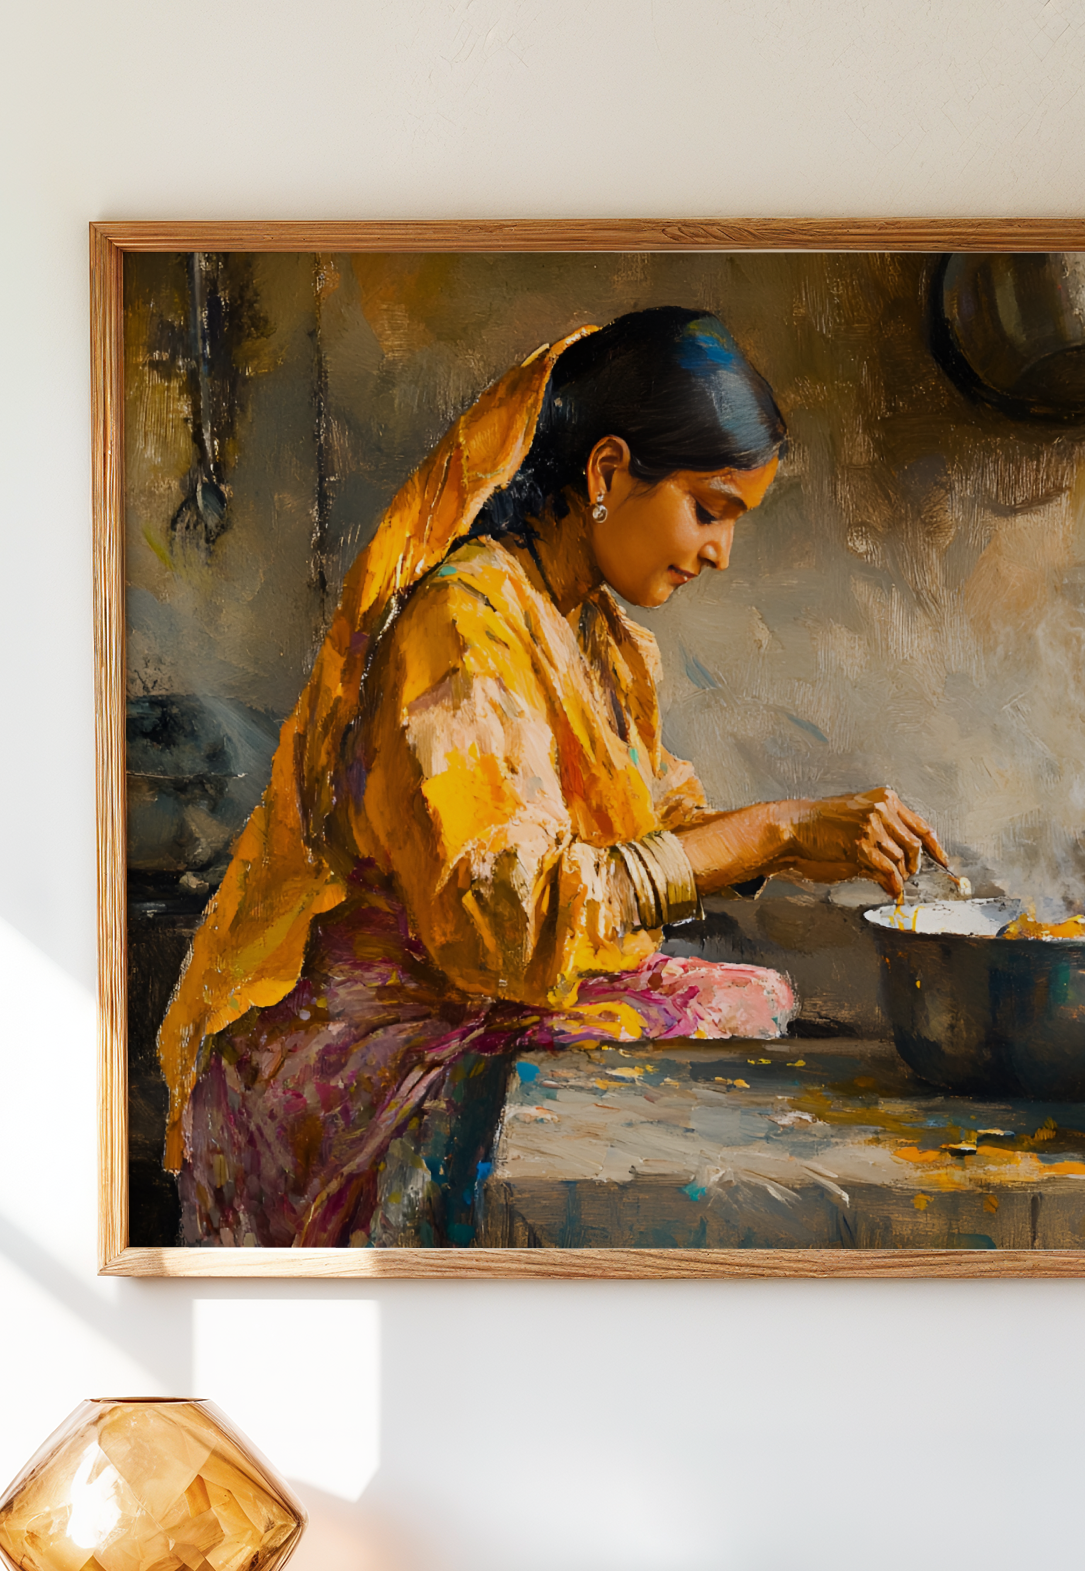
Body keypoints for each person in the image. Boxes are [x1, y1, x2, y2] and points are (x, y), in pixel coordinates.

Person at [158, 308, 949, 1246]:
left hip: (492, 1007)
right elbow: (506, 925)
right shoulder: (460, 628)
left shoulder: (604, 642)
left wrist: (801, 842)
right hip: (373, 1056)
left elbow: (654, 831)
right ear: (609, 473)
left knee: (750, 1004)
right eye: (710, 509)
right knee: (730, 1032)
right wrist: (773, 832)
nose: (720, 554)